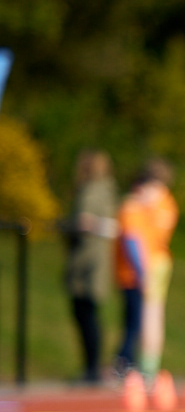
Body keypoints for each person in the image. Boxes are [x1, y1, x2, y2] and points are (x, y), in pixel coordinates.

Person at [113, 160, 178, 381]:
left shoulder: (154, 201)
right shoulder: (169, 203)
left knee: (149, 315)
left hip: (152, 262)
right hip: (159, 261)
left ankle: (147, 367)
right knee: (152, 314)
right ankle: (149, 365)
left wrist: (141, 271)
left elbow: (133, 236)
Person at [62, 151, 118, 384]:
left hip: (90, 260)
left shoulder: (96, 191)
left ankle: (93, 368)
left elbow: (108, 225)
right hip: (89, 259)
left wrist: (78, 226)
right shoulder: (103, 190)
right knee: (85, 314)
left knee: (87, 313)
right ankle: (91, 367)